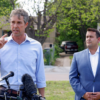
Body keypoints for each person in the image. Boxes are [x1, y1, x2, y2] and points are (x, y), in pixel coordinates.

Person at [0, 9, 46, 99]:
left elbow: (40, 75)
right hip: (5, 94)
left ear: (26, 24)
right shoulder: (2, 45)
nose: (15, 26)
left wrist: (42, 96)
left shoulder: (36, 46)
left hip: (28, 95)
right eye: (13, 22)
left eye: (19, 22)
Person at [69, 28, 100, 100]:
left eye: (91, 37)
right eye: (87, 37)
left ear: (98, 39)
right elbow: (72, 77)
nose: (88, 39)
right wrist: (83, 93)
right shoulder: (77, 56)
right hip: (82, 98)